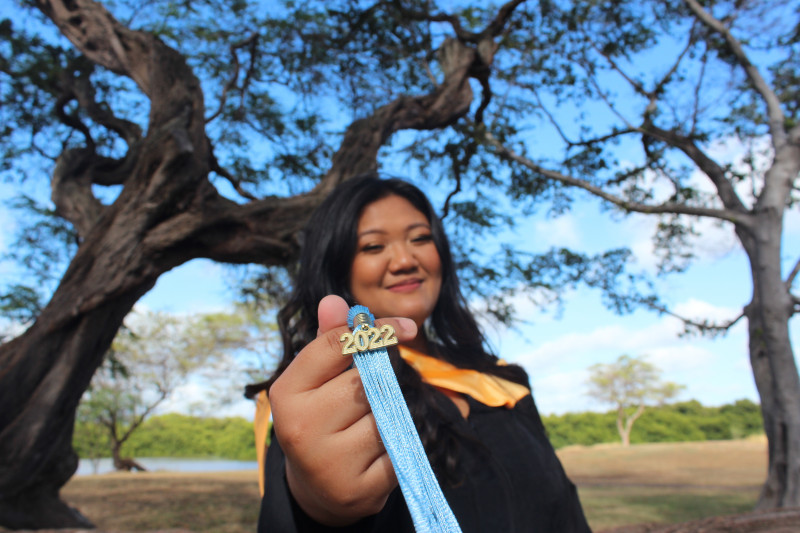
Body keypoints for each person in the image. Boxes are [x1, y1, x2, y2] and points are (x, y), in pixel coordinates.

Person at [246, 174, 592, 532]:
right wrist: (320, 503)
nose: (405, 260)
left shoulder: (504, 382)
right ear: (337, 268)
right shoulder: (329, 399)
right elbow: (303, 506)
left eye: (420, 238)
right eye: (373, 247)